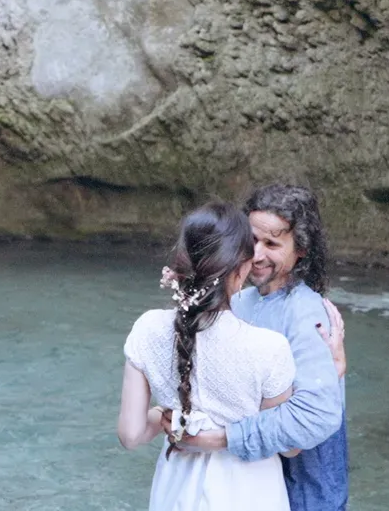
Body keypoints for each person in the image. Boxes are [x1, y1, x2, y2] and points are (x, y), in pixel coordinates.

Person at [174, 184, 350, 510]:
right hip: (249, 482)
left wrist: (224, 438)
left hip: (306, 490)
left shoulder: (305, 312)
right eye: (252, 240)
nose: (256, 254)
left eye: (271, 243)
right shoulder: (241, 300)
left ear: (302, 250)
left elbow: (318, 415)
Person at [116, 203, 299, 510]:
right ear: (241, 269)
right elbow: (291, 445)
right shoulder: (269, 348)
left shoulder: (148, 328)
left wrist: (166, 414)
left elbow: (130, 435)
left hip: (176, 488)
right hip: (250, 491)